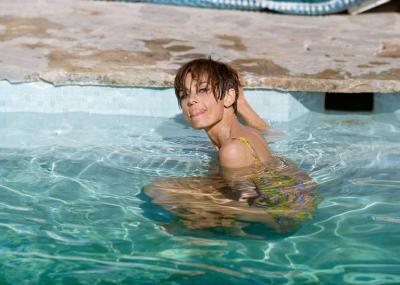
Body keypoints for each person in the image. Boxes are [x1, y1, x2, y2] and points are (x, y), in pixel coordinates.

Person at [144, 58, 317, 235]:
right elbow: (266, 131)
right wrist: (240, 102)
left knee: (159, 190)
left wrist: (197, 220)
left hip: (278, 217)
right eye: (183, 94)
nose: (191, 100)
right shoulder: (247, 133)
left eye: (203, 90)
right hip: (298, 199)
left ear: (228, 97)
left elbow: (246, 200)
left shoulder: (232, 149)